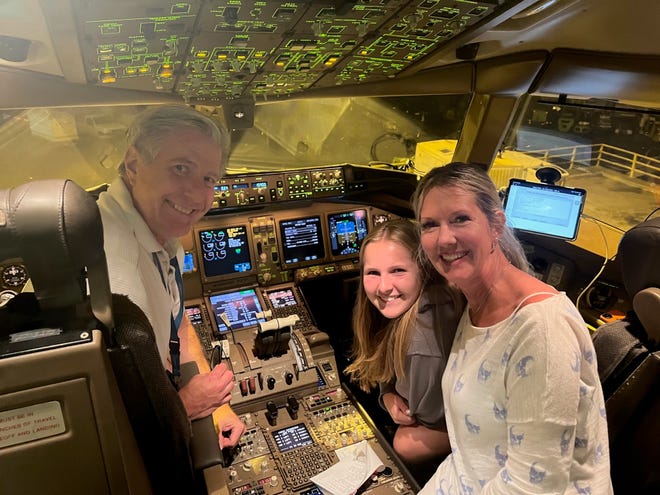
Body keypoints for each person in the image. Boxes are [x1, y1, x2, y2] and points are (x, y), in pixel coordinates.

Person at [412, 162, 612, 494]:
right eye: (430, 225)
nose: (444, 238)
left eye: (460, 219)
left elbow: (534, 487)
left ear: (495, 225)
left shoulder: (541, 329)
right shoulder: (474, 302)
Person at [97, 104, 245, 448]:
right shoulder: (118, 276)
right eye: (180, 168)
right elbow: (106, 429)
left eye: (208, 179)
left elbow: (177, 324)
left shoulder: (158, 233)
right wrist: (188, 404)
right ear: (134, 165)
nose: (196, 196)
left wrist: (215, 402)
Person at [345, 219, 464, 466]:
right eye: (373, 273)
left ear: (424, 269)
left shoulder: (422, 343)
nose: (384, 287)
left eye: (398, 270)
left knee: (404, 444)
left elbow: (428, 420)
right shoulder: (428, 296)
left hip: (451, 419)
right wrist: (387, 393)